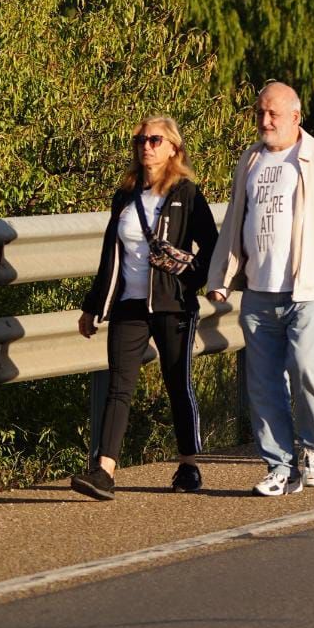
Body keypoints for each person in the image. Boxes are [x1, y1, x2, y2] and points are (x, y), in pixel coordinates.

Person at [206, 81, 314, 497]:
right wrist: (220, 280)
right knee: (263, 385)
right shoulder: (251, 160)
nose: (264, 121)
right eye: (260, 113)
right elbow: (234, 223)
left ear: (296, 117)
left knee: (308, 373)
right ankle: (280, 466)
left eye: (273, 114)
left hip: (308, 291)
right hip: (259, 293)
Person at [70, 116, 219, 501]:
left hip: (173, 306)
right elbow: (109, 254)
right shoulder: (125, 194)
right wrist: (92, 307)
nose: (146, 146)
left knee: (177, 384)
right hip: (127, 304)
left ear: (173, 148)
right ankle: (104, 472)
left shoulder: (187, 194)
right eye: (140, 140)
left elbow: (213, 247)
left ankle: (188, 464)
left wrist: (190, 280)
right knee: (119, 387)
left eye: (154, 140)